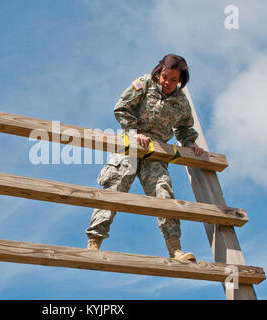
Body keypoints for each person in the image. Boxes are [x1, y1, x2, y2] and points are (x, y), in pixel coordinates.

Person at [85, 54, 203, 262]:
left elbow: (185, 128)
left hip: (156, 152)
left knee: (163, 194)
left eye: (174, 80)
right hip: (131, 143)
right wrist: (133, 130)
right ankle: (93, 243)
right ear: (159, 72)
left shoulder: (181, 102)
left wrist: (190, 144)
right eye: (165, 77)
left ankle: (175, 250)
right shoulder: (144, 84)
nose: (167, 83)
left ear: (181, 81)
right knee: (115, 188)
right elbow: (121, 107)